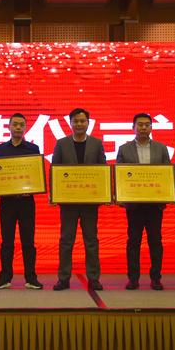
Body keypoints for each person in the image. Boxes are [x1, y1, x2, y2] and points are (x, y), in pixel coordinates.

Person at [52, 108, 107, 291]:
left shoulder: (97, 144)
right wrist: (55, 193)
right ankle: (63, 278)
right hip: (68, 202)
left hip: (90, 202)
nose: (79, 124)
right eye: (76, 121)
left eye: (83, 121)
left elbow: (102, 170)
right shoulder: (61, 144)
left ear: (88, 123)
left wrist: (104, 193)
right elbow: (55, 170)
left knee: (91, 241)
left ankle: (94, 278)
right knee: (66, 241)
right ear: (70, 123)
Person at [116, 113, 171, 290]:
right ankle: (133, 278)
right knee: (133, 241)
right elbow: (119, 175)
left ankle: (156, 278)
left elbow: (167, 174)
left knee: (155, 241)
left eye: (147, 125)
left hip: (155, 204)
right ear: (133, 127)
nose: (143, 128)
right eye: (140, 125)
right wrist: (120, 196)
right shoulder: (124, 149)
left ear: (151, 128)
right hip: (134, 205)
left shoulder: (161, 148)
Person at [0, 113, 43, 290]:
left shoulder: (33, 148)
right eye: (15, 124)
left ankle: (31, 277)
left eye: (21, 125)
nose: (18, 127)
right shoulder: (2, 149)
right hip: (7, 202)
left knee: (28, 241)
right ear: (8, 126)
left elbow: (36, 174)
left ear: (26, 128)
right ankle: (5, 277)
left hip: (26, 202)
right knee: (7, 241)